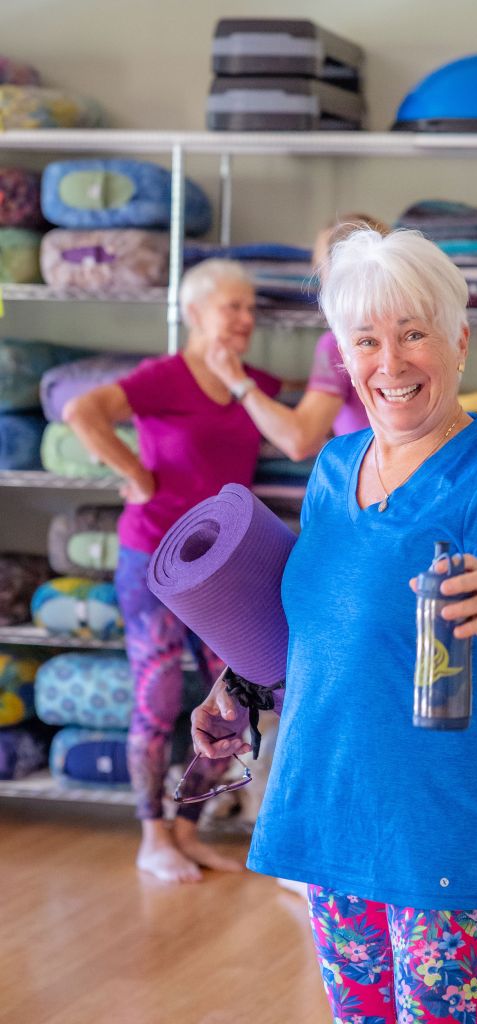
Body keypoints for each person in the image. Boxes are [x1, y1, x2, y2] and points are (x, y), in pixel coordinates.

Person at [191, 228, 477, 1023]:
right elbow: (323, 630)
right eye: (366, 340)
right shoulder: (334, 468)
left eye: (412, 334)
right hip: (333, 800)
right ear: (344, 352)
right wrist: (238, 688)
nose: (389, 363)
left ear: (458, 341)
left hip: (441, 821)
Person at [64, 259, 284, 884]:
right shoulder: (164, 377)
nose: (245, 319)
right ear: (193, 314)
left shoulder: (250, 383)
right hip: (152, 560)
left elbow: (304, 409)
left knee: (237, 700)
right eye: (232, 307)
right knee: (157, 698)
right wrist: (135, 475)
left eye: (250, 308)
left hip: (221, 574)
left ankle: (188, 830)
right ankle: (152, 838)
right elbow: (82, 410)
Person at [207, 213, 389, 460]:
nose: (317, 274)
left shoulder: (341, 344)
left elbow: (300, 441)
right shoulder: (415, 331)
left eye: (321, 265)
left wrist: (237, 381)